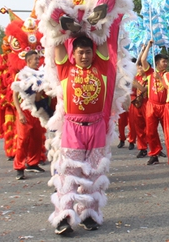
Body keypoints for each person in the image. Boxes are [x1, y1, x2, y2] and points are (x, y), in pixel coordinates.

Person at [49, 35, 113, 234]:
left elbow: (103, 33)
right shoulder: (66, 69)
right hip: (73, 128)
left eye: (88, 52)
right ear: (73, 54)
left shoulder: (101, 67)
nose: (84, 56)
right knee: (69, 174)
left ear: (93, 54)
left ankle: (88, 215)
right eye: (80, 52)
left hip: (97, 127)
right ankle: (63, 217)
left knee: (93, 174)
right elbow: (56, 39)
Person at [10, 50, 47, 180]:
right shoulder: (20, 75)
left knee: (37, 138)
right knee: (23, 139)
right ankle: (19, 167)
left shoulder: (41, 74)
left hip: (36, 110)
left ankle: (33, 163)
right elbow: (14, 96)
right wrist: (19, 113)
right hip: (24, 110)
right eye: (35, 59)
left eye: (38, 59)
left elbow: (40, 95)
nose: (38, 61)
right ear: (28, 61)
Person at [140, 40, 168, 165]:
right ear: (157, 63)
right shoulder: (150, 73)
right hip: (151, 105)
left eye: (167, 61)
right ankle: (154, 153)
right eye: (164, 61)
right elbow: (143, 60)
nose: (166, 64)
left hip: (166, 106)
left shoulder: (168, 75)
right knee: (150, 131)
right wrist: (148, 46)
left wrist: (160, 78)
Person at [128, 60, 148, 157]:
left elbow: (144, 89)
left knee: (149, 128)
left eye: (141, 67)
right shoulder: (136, 78)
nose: (139, 69)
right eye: (138, 67)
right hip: (137, 104)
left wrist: (136, 83)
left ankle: (155, 149)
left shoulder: (149, 78)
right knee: (138, 127)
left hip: (147, 104)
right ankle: (142, 148)